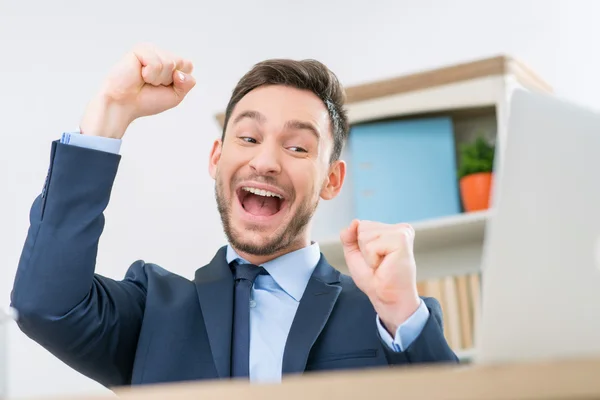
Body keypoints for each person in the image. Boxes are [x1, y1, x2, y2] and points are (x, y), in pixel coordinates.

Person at [10, 44, 458, 389]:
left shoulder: (386, 319)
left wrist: (401, 311)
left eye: (298, 146)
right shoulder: (153, 313)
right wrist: (110, 112)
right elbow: (43, 305)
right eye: (248, 137)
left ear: (332, 180)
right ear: (216, 158)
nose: (265, 161)